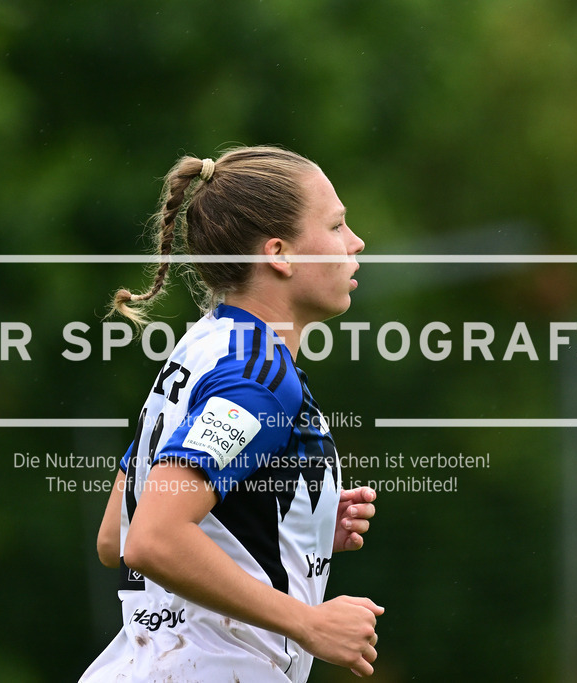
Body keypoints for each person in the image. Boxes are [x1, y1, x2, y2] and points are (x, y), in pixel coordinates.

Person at [79, 145, 382, 682]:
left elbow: (116, 536)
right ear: (280, 255)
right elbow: (151, 540)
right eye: (337, 226)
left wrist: (289, 525)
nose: (355, 242)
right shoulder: (258, 376)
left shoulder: (203, 347)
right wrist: (309, 623)